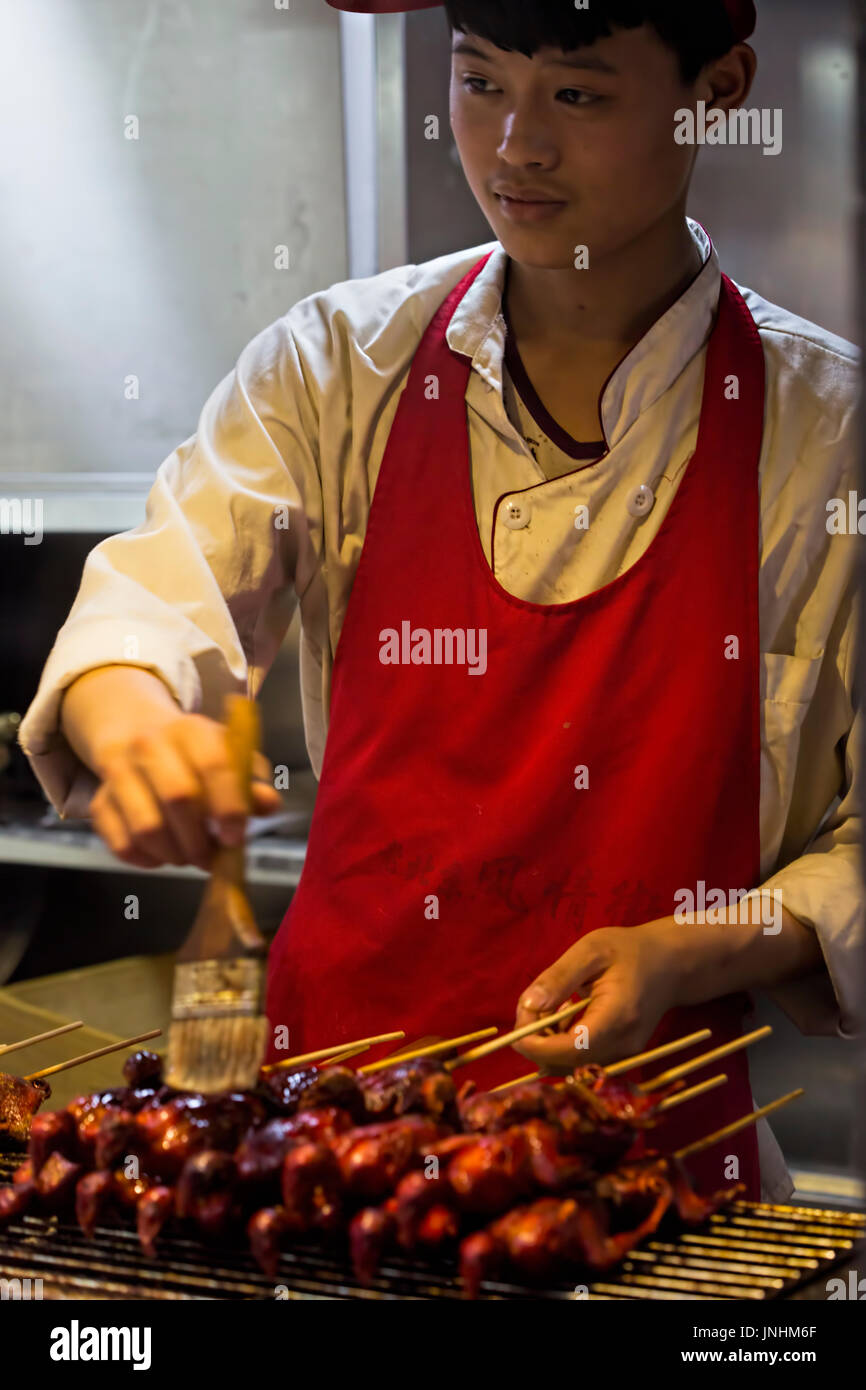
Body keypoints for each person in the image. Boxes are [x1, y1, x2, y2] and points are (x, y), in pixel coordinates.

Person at [20, 0, 862, 1201]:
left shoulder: (825, 437)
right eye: (478, 83)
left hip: (655, 1184)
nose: (513, 145)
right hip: (321, 1165)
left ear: (716, 87)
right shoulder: (336, 368)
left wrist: (693, 948)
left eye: (576, 96)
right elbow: (158, 597)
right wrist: (135, 716)